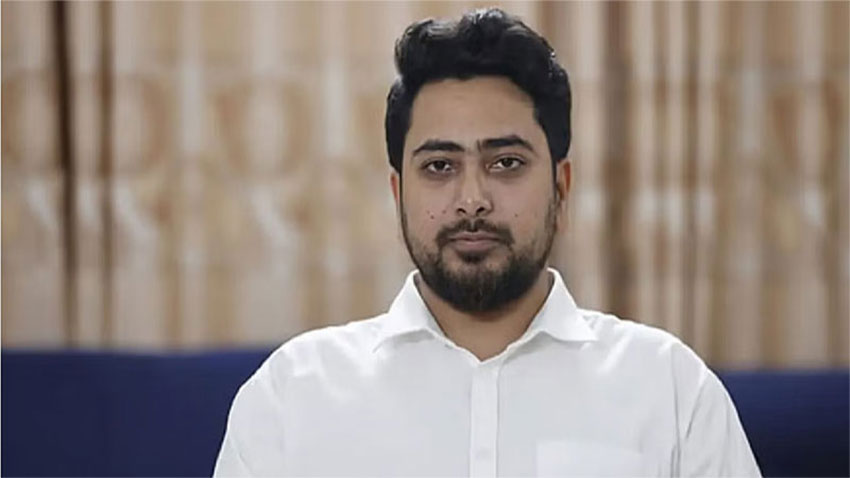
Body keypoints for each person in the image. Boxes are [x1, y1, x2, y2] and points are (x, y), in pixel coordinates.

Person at [214, 8, 760, 477]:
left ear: (561, 187)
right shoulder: (292, 397)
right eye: (440, 166)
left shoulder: (670, 391)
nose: (472, 199)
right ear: (398, 192)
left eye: (506, 163)